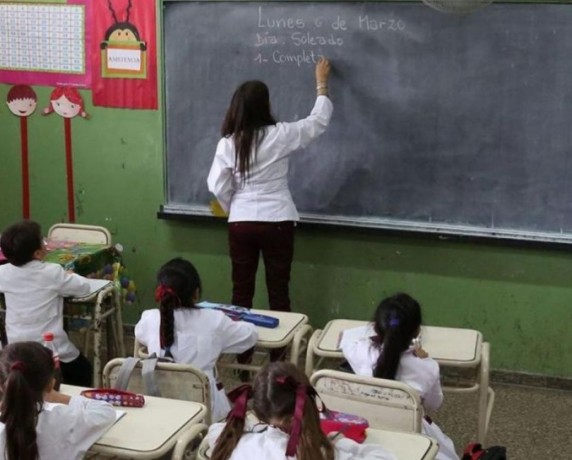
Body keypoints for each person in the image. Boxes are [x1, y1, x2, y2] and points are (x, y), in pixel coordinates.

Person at [207, 58, 333, 313]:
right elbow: (317, 122)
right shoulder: (280, 135)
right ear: (265, 106)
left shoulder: (228, 143)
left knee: (241, 292)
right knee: (279, 292)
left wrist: (234, 207)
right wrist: (321, 84)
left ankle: (243, 352)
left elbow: (217, 185)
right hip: (278, 220)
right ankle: (280, 353)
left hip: (241, 223)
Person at [134, 257, 257, 421]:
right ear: (196, 293)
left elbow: (139, 334)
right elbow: (250, 336)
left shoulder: (149, 318)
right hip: (206, 413)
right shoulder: (214, 320)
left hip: (161, 409)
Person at [0, 341, 116, 460]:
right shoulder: (67, 419)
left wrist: (2, 406)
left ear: (1, 384)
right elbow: (106, 411)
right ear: (50, 384)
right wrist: (57, 396)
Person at [340, 293, 457, 460]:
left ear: (376, 327)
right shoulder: (426, 367)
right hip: (410, 435)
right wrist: (424, 359)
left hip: (365, 431)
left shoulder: (360, 351)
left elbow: (346, 338)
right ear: (417, 330)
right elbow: (434, 404)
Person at [206, 361, 395, 460]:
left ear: (257, 408)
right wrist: (341, 441)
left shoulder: (231, 442)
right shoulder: (322, 454)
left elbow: (214, 432)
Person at [0, 220, 97, 386]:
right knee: (83, 369)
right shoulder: (52, 272)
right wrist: (70, 275)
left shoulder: (4, 272)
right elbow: (83, 288)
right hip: (50, 346)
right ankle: (71, 402)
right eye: (43, 241)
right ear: (38, 254)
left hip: (16, 347)